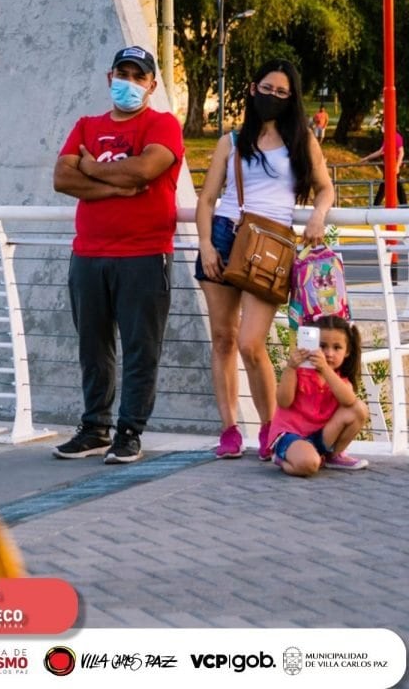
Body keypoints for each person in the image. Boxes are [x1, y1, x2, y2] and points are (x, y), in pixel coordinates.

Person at [195, 58, 335, 460]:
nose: (272, 96)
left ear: (291, 99)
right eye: (266, 88)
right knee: (222, 339)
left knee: (251, 343)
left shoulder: (302, 140)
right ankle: (229, 430)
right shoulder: (232, 141)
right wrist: (205, 243)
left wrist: (318, 217)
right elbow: (207, 199)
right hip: (224, 237)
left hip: (271, 247)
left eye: (281, 92)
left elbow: (325, 189)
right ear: (253, 89)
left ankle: (272, 428)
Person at [52, 45, 184, 464]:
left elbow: (146, 170)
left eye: (137, 76)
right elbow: (61, 177)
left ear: (152, 84)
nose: (128, 82)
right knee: (93, 344)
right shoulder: (86, 125)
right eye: (122, 74)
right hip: (89, 253)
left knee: (141, 346)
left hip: (145, 253)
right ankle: (94, 427)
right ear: (110, 78)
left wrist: (90, 170)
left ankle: (129, 431)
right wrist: (116, 187)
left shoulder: (163, 125)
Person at [269, 316, 369, 476]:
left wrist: (325, 370)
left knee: (359, 409)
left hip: (319, 437)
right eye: (322, 346)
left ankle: (333, 456)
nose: (329, 353)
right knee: (309, 464)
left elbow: (350, 401)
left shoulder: (339, 380)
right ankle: (281, 459)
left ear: (347, 351)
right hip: (291, 435)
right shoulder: (300, 372)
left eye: (337, 348)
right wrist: (290, 368)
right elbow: (283, 402)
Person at [359, 129, 406, 205]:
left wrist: (397, 166)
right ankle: (404, 205)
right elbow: (380, 151)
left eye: (384, 126)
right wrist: (367, 158)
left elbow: (401, 152)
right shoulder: (388, 137)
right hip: (388, 165)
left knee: (386, 186)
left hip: (393, 165)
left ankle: (376, 206)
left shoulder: (396, 136)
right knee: (395, 185)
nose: (382, 128)